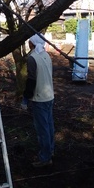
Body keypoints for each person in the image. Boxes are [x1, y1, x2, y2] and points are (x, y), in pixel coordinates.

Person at [22, 34, 55, 168]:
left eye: (29, 41)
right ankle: (50, 151)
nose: (28, 43)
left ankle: (45, 158)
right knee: (49, 126)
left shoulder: (32, 58)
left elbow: (31, 80)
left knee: (42, 130)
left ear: (32, 43)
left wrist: (25, 98)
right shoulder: (46, 55)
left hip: (39, 98)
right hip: (49, 96)